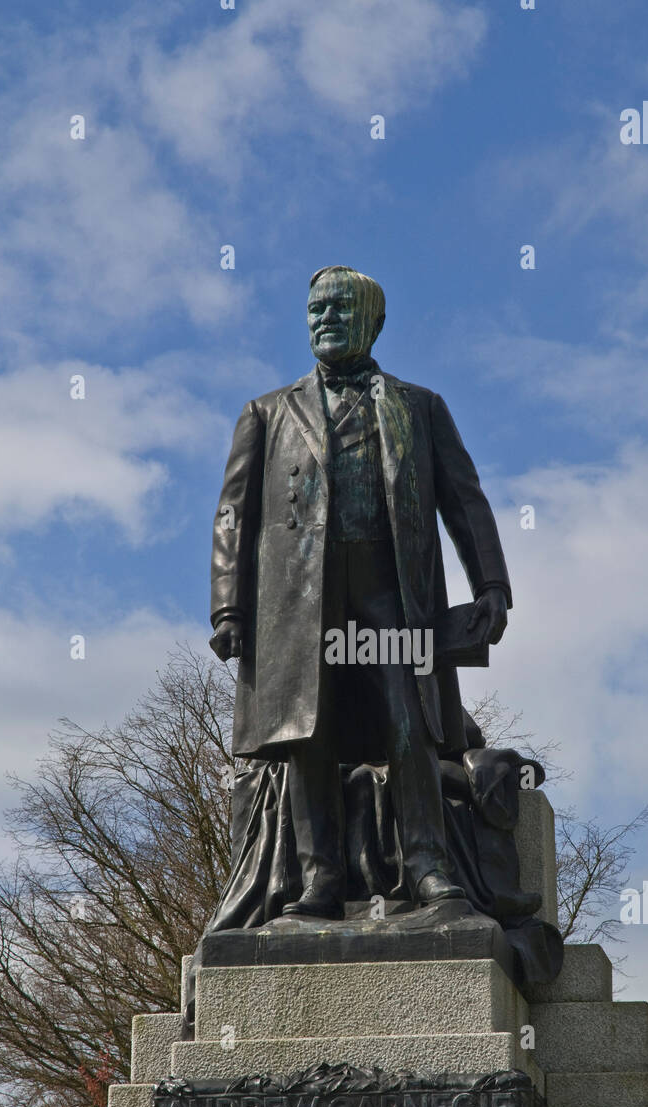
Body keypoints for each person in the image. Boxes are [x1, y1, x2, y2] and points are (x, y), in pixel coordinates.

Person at [209, 265, 512, 919]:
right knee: (306, 735)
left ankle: (428, 866)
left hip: (392, 591)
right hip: (296, 604)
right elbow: (234, 514)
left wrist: (491, 584)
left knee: (408, 725)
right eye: (316, 309)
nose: (325, 319)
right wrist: (230, 606)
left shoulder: (419, 407)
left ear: (373, 320)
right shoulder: (266, 412)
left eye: (340, 308)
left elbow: (464, 500)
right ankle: (318, 880)